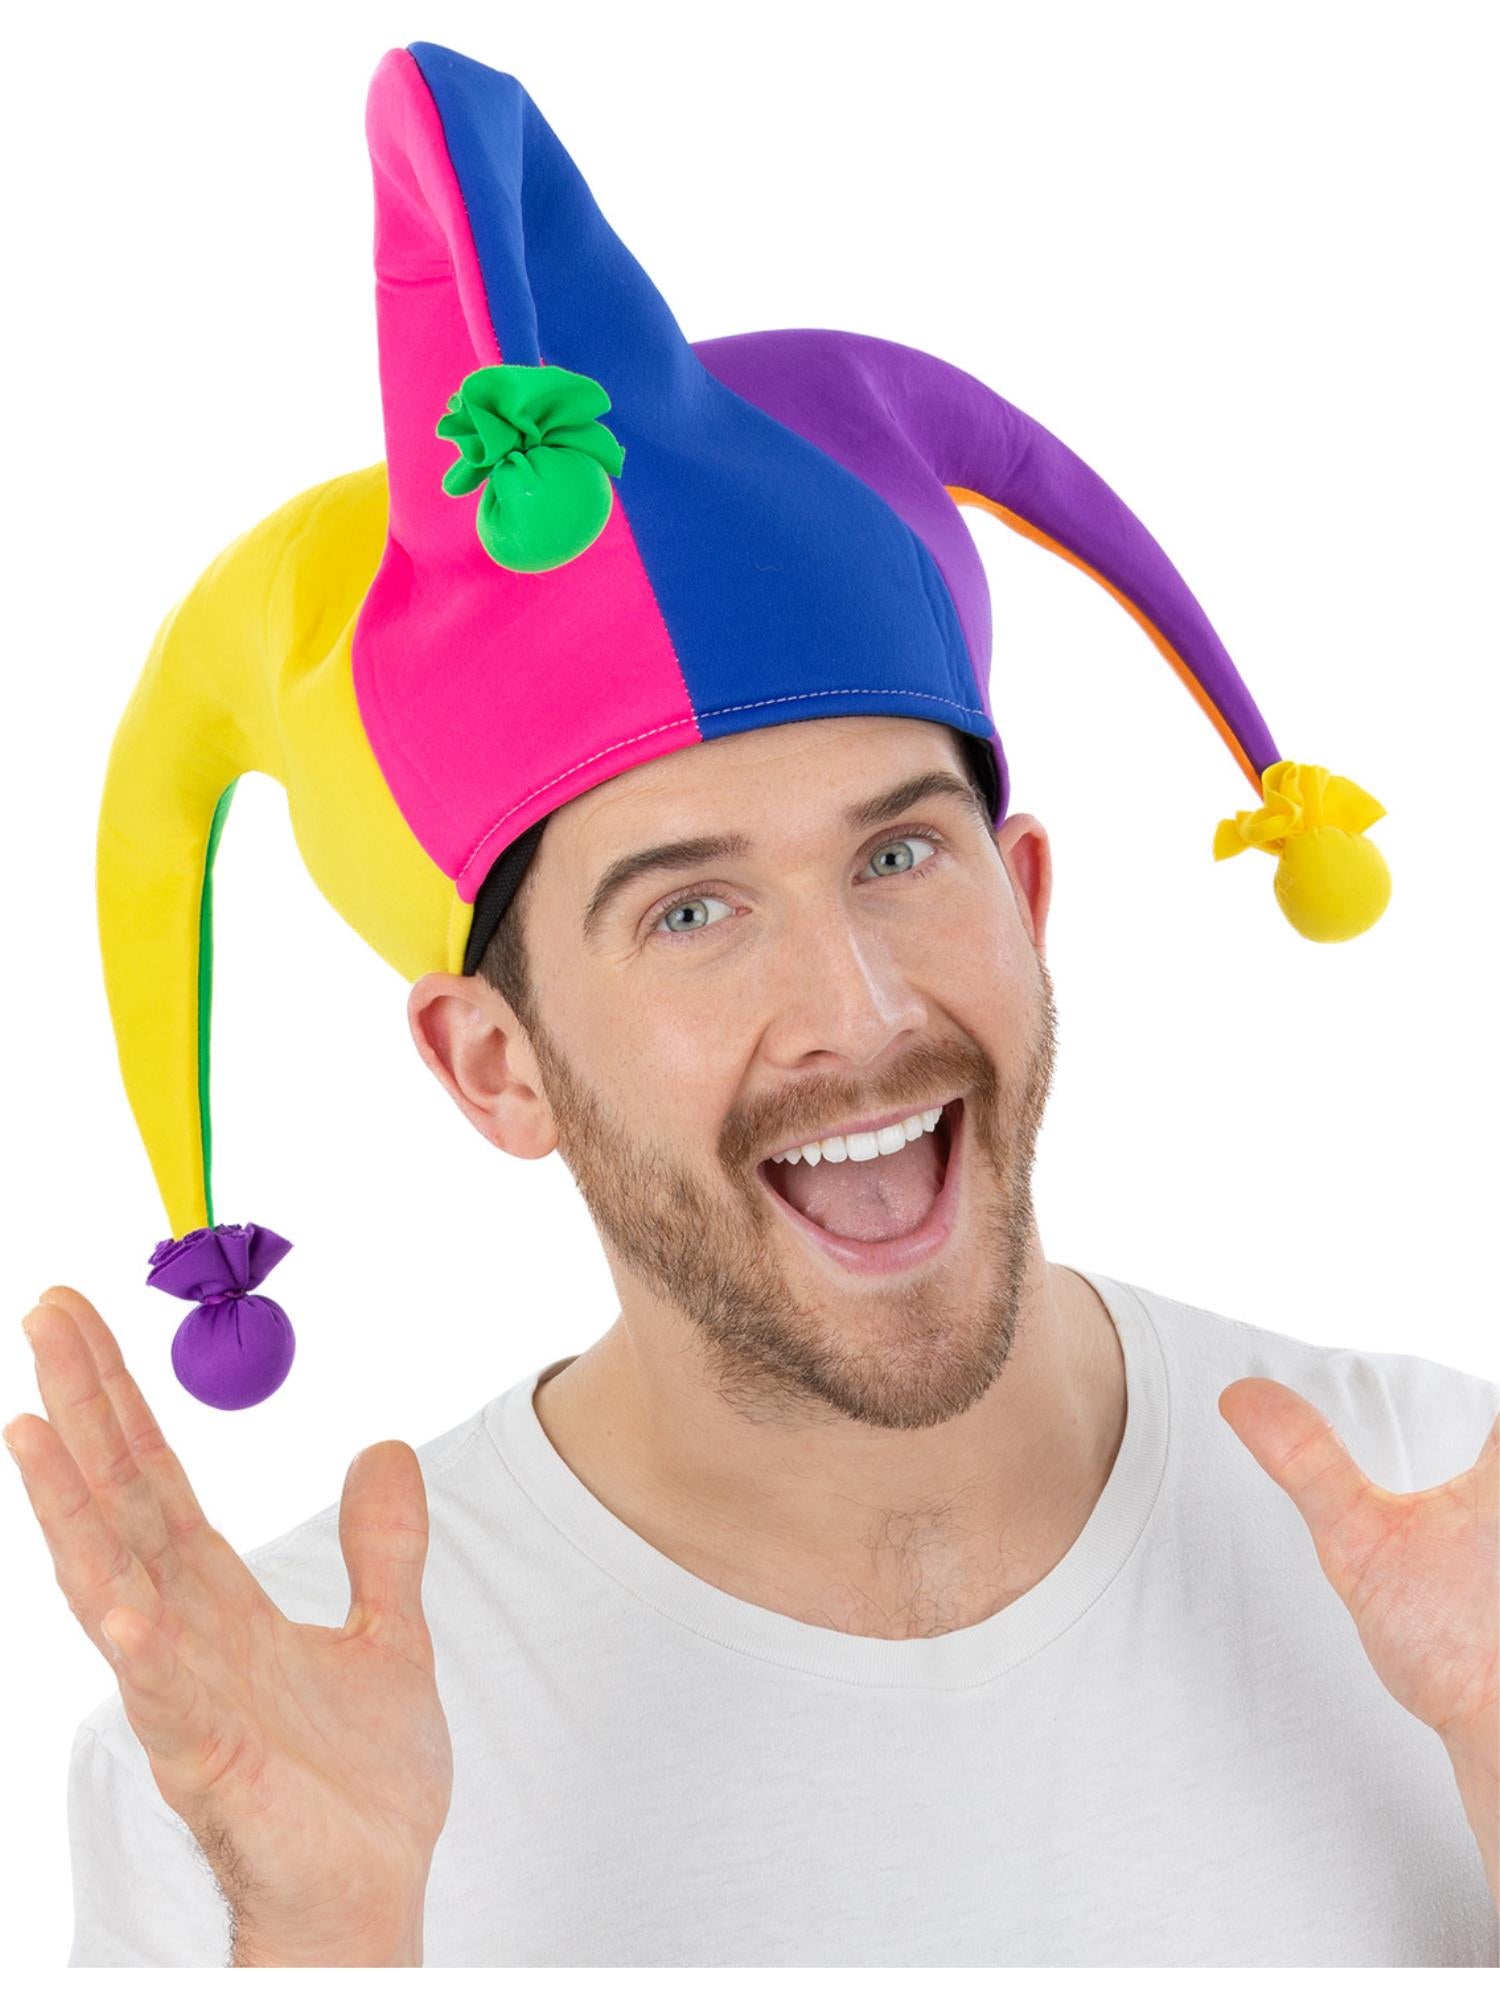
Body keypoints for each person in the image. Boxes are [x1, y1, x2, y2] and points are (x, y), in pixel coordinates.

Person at [6, 38, 1496, 1970]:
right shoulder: (253, 1759)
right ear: (495, 1067)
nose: (854, 1008)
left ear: (1030, 901)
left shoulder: (1447, 1520)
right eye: (693, 911)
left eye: (899, 856)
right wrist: (329, 1930)